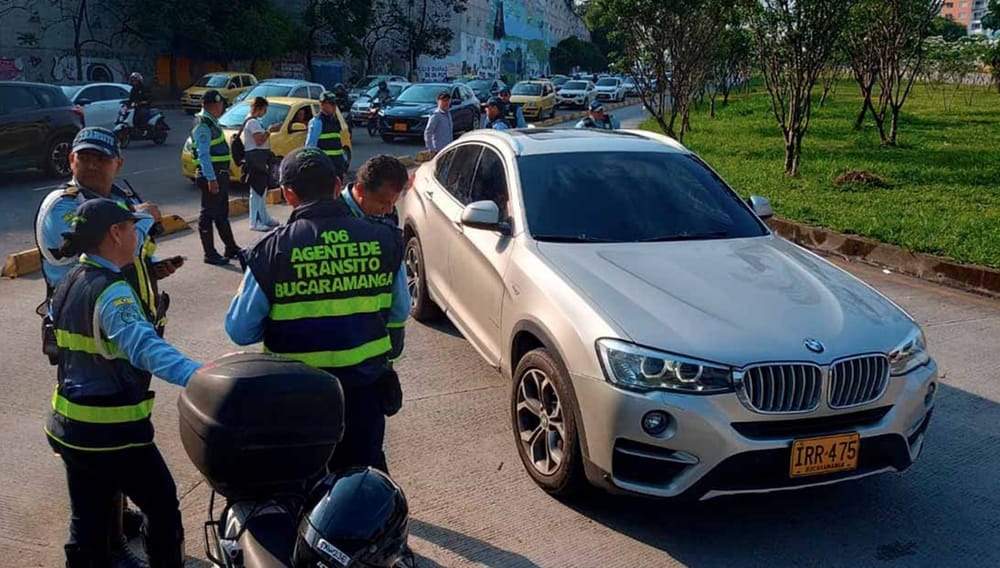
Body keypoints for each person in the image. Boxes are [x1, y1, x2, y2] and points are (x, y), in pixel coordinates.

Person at [34, 127, 178, 567]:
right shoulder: (63, 205)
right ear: (71, 161)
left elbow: (136, 250)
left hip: (122, 335)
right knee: (106, 437)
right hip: (90, 336)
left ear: (118, 162)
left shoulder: (121, 197)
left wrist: (151, 262)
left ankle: (111, 529)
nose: (92, 164)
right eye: (84, 157)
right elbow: (69, 250)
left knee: (105, 452)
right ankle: (107, 541)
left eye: (101, 157)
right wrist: (143, 218)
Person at [225, 149, 408, 474]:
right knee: (365, 486)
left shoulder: (272, 251)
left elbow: (239, 331)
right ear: (339, 185)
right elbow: (400, 310)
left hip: (298, 398)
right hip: (364, 394)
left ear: (289, 194)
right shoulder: (386, 241)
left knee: (302, 485)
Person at [47, 198, 202, 568]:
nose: (138, 236)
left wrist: (145, 216)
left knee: (89, 521)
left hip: (70, 426)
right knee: (162, 505)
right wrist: (201, 375)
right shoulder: (112, 291)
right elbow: (144, 347)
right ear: (116, 233)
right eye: (132, 229)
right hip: (113, 432)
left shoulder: (70, 279)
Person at [340, 155, 411, 366]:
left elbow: (400, 299)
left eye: (393, 203)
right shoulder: (332, 218)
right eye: (383, 202)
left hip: (374, 343)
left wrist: (394, 342)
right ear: (360, 190)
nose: (389, 210)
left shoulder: (387, 215)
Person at [191, 89, 241, 266]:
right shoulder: (203, 125)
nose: (222, 107)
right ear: (214, 105)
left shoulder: (212, 122)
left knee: (221, 213)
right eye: (220, 104)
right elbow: (203, 154)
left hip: (220, 174)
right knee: (208, 214)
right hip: (213, 175)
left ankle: (231, 247)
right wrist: (211, 179)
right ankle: (210, 253)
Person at [241, 96, 281, 231]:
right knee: (257, 191)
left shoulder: (254, 121)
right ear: (259, 108)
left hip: (258, 158)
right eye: (264, 109)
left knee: (262, 189)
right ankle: (255, 221)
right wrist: (270, 130)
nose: (265, 112)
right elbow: (259, 141)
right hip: (255, 159)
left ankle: (264, 217)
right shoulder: (252, 122)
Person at [305, 91, 348, 181]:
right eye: (331, 103)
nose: (334, 106)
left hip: (337, 166)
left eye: (335, 103)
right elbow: (310, 147)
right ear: (322, 104)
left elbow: (338, 145)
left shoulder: (334, 120)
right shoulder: (317, 122)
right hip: (324, 166)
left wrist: (344, 164)